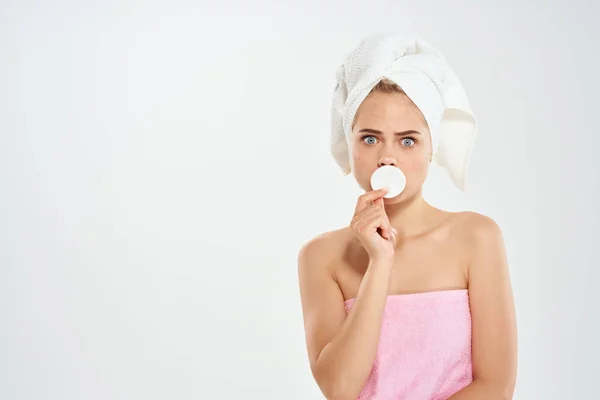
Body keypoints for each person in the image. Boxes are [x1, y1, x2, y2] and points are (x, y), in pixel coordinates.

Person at [297, 33, 518, 400]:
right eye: (369, 138)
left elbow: (496, 387)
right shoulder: (320, 257)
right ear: (349, 144)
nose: (387, 157)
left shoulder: (476, 237)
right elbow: (339, 389)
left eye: (407, 140)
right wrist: (379, 262)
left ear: (431, 147)